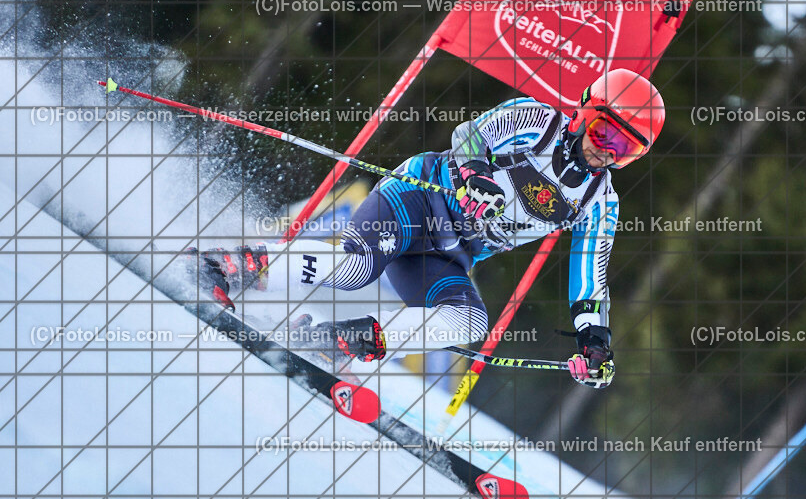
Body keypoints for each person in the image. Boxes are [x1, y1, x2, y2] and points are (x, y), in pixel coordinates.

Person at [186, 69, 665, 389]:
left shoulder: (599, 201)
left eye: (628, 150)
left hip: (447, 257)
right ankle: (236, 265)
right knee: (357, 265)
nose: (609, 152)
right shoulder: (537, 119)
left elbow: (590, 277)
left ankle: (338, 340)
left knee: (472, 322)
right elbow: (471, 135)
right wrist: (476, 174)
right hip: (417, 199)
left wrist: (594, 339)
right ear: (585, 111)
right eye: (606, 132)